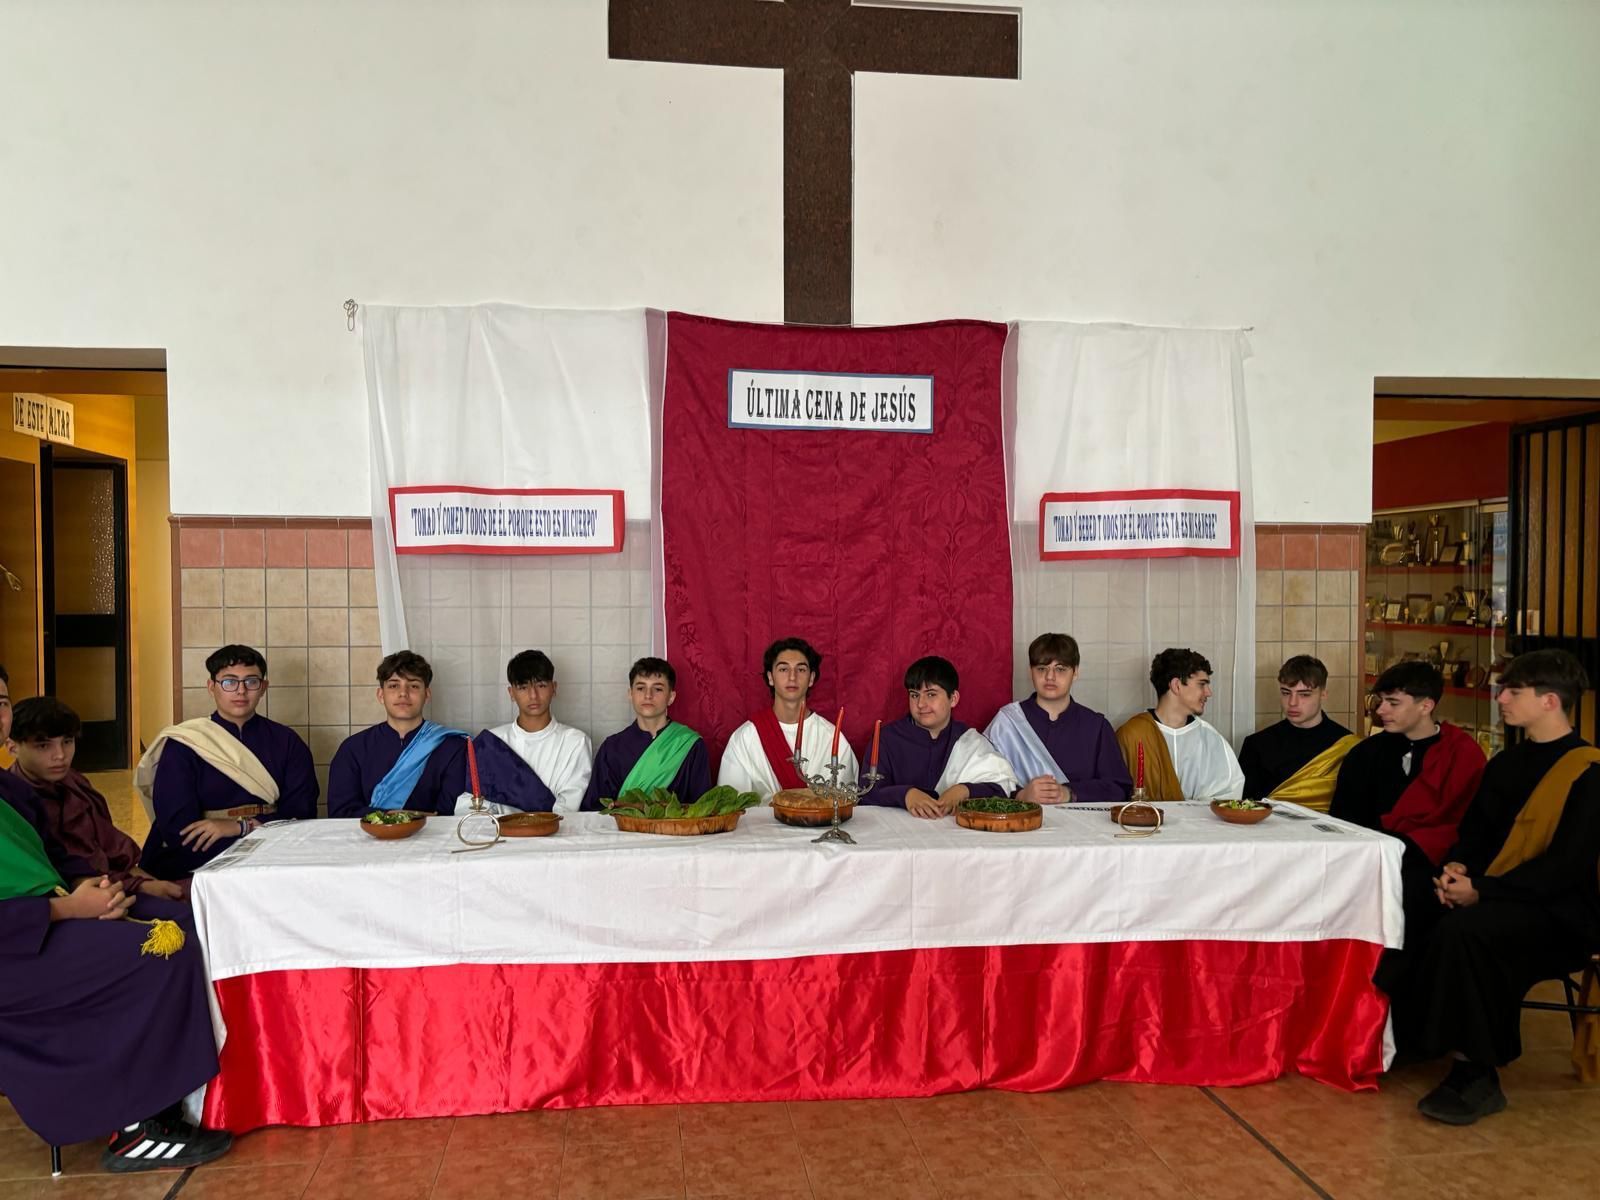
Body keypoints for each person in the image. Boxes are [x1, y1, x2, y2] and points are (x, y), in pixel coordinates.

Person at [1387, 650, 1600, 1124]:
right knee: (1414, 902)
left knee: (1470, 930)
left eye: (1513, 691)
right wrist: (1457, 869)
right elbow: (1476, 834)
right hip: (1494, 891)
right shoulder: (1506, 763)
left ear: (1549, 701)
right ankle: (1408, 1038)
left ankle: (1476, 1072)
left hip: (1559, 912)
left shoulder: (1588, 773)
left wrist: (1481, 890)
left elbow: (1564, 868)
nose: (1500, 698)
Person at [0, 790, 232, 1170]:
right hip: (17, 946)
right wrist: (68, 908)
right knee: (161, 956)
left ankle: (209, 1095)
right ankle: (139, 1127)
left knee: (192, 922)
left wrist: (100, 893)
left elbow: (54, 854)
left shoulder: (7, 789)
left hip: (51, 913)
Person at [135, 645, 318, 878]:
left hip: (271, 847)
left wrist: (240, 827)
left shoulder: (287, 742)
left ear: (263, 687)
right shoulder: (184, 744)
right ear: (211, 687)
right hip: (200, 853)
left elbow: (302, 813)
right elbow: (178, 827)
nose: (241, 691)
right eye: (229, 682)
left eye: (251, 682)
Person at [1331, 661, 1485, 924]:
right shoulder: (1365, 753)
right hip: (1371, 864)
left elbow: (1473, 824)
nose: (1381, 710)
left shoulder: (1462, 753)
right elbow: (1344, 819)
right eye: (1380, 701)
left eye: (1393, 703)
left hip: (1438, 868)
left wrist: (1455, 868)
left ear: (1426, 706)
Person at [6, 697, 185, 900]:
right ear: (12, 747)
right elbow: (60, 873)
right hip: (65, 899)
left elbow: (112, 848)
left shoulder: (74, 782)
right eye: (43, 746)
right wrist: (141, 886)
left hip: (115, 881)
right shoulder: (12, 800)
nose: (60, 755)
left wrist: (149, 883)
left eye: (67, 742)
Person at [984, 632, 1132, 804]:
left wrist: (1068, 793)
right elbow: (982, 784)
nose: (1050, 677)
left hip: (1081, 822)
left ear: (1075, 672)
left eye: (1060, 669)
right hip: (1023, 820)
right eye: (1042, 669)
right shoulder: (1006, 723)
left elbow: (1119, 788)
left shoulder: (1096, 726)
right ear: (1030, 672)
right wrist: (1020, 796)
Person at [864, 656, 1017, 818]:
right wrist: (906, 795)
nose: (921, 704)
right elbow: (866, 793)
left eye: (931, 694)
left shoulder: (968, 740)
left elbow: (1003, 787)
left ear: (953, 699)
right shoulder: (887, 739)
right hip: (898, 830)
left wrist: (964, 790)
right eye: (914, 695)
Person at [717, 637, 859, 803]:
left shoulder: (832, 738)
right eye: (783, 669)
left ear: (811, 678)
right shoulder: (745, 738)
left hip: (820, 820)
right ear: (770, 677)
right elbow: (731, 805)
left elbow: (844, 803)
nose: (792, 677)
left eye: (801, 669)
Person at [327, 651, 467, 817]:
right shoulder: (353, 748)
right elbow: (340, 813)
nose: (403, 693)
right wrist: (396, 818)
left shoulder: (453, 747)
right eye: (394, 686)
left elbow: (452, 814)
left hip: (434, 834)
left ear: (427, 695)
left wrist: (392, 817)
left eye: (413, 686)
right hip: (365, 834)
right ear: (381, 695)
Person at [453, 650, 592, 814]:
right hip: (499, 829)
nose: (533, 695)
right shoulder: (491, 742)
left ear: (554, 688)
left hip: (555, 829)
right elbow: (469, 803)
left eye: (541, 685)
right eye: (523, 687)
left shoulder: (575, 741)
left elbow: (568, 807)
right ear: (511, 693)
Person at [1114, 648, 1245, 800]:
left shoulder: (1212, 739)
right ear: (1176, 685)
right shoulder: (1132, 735)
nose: (1209, 693)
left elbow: (1229, 796)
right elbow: (1116, 794)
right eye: (1202, 684)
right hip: (1146, 816)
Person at [582, 657, 711, 809]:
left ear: (671, 697)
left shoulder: (691, 745)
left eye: (658, 689)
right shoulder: (611, 748)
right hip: (620, 825)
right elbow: (594, 811)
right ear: (630, 694)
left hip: (677, 825)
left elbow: (702, 809)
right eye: (640, 688)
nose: (648, 695)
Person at [1238, 655, 1359, 807]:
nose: (1292, 703)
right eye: (1286, 693)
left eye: (1304, 695)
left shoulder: (1348, 747)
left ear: (1323, 694)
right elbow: (1243, 809)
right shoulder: (1257, 745)